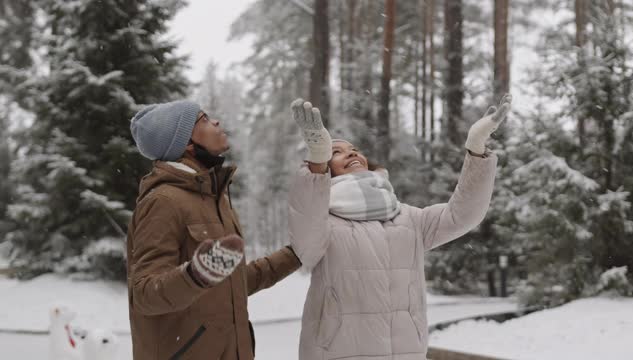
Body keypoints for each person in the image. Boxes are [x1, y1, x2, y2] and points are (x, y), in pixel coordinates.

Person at [288, 95, 511, 359]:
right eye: (335, 152)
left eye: (354, 149)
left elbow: (463, 215)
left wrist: (476, 150)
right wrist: (316, 162)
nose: (351, 152)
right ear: (327, 168)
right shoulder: (322, 221)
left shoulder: (407, 218)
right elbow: (307, 249)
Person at [127, 100, 301, 360]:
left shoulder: (212, 197)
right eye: (204, 119)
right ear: (186, 142)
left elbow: (233, 282)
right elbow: (144, 294)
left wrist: (297, 253)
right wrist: (195, 275)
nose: (216, 122)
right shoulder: (163, 201)